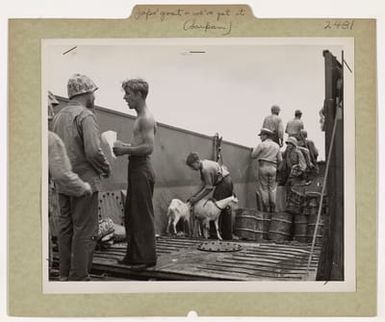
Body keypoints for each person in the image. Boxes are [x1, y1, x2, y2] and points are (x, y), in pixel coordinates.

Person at [52, 75, 111, 281]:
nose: (94, 96)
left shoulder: (58, 116)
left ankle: (64, 275)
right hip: (85, 182)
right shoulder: (85, 116)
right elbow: (93, 151)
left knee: (66, 228)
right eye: (93, 92)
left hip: (63, 182)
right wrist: (105, 167)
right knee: (85, 230)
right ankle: (79, 277)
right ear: (85, 93)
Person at [113, 79, 157, 271]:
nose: (125, 97)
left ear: (139, 94)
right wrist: (125, 146)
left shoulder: (146, 118)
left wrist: (125, 151)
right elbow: (141, 144)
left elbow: (149, 147)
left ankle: (147, 258)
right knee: (132, 214)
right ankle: (133, 256)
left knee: (142, 215)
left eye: (128, 93)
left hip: (141, 168)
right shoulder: (140, 117)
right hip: (137, 168)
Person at [185, 152, 234, 240]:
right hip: (227, 180)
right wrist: (193, 195)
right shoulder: (204, 164)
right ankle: (226, 235)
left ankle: (215, 236)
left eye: (192, 166)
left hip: (224, 183)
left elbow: (209, 188)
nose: (192, 169)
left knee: (214, 209)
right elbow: (203, 184)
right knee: (223, 208)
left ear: (196, 162)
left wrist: (196, 199)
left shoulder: (205, 169)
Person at [251, 128, 282, 213]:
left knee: (264, 188)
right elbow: (280, 159)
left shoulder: (262, 145)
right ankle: (273, 208)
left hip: (263, 166)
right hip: (273, 168)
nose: (260, 137)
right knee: (272, 188)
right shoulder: (276, 146)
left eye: (261, 135)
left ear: (265, 135)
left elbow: (253, 155)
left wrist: (253, 150)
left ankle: (266, 209)